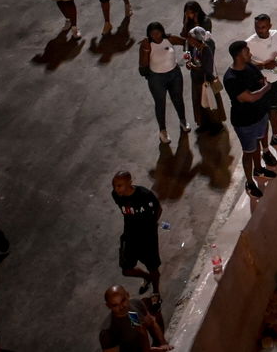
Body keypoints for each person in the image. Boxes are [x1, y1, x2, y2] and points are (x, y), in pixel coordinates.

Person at [224, 40, 275, 199]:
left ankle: (258, 169)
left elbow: (260, 80)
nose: (250, 54)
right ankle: (250, 183)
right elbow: (250, 97)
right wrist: (266, 88)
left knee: (258, 144)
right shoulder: (231, 78)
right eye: (247, 52)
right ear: (238, 56)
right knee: (248, 152)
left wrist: (262, 87)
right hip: (245, 122)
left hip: (259, 115)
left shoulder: (250, 66)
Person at [245, 13, 277, 147]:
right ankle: (265, 149)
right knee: (263, 117)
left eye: (263, 27)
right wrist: (263, 65)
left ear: (270, 26)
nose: (260, 30)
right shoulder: (249, 43)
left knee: (275, 108)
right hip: (261, 84)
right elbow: (244, 65)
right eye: (257, 27)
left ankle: (276, 136)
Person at [110, 171, 163, 300]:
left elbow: (158, 209)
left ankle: (156, 291)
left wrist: (151, 226)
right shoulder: (116, 196)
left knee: (153, 267)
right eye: (115, 186)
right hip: (129, 236)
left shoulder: (144, 195)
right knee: (126, 269)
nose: (116, 189)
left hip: (147, 238)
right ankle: (148, 278)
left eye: (120, 185)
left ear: (130, 182)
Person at [139, 22, 189, 144]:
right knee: (160, 103)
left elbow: (185, 42)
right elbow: (143, 64)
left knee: (178, 99)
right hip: (156, 78)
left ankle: (183, 121)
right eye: (152, 34)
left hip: (174, 74)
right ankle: (163, 131)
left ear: (162, 31)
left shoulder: (169, 39)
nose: (155, 36)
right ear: (149, 35)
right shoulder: (147, 45)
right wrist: (145, 49)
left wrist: (187, 54)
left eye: (158, 33)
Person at [98, 285, 169, 352]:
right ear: (108, 306)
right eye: (115, 305)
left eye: (123, 300)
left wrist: (163, 343)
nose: (121, 307)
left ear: (128, 295)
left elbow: (151, 324)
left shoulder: (134, 306)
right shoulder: (107, 331)